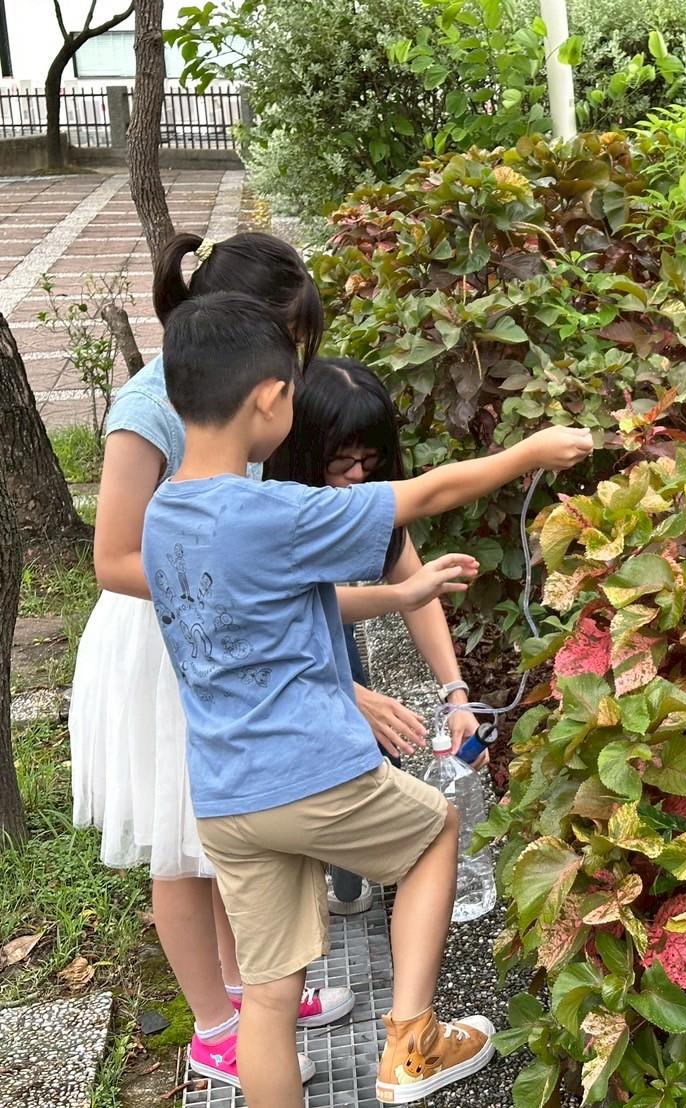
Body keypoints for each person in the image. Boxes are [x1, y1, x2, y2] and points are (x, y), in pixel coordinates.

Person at [141, 291, 592, 1106]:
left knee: (269, 1000)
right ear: (270, 399)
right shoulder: (274, 511)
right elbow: (423, 496)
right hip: (310, 771)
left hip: (226, 796)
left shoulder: (163, 516)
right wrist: (528, 452)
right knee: (434, 830)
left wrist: (400, 595)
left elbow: (273, 609)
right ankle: (412, 1044)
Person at [70, 232, 474, 1090]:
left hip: (235, 650)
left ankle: (251, 999)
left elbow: (366, 562)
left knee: (237, 886)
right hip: (174, 632)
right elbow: (116, 559)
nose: (293, 366)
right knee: (175, 841)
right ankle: (223, 1024)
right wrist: (331, 679)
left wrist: (441, 683)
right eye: (288, 343)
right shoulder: (163, 411)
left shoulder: (240, 415)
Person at [264, 357, 486, 917]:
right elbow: (277, 617)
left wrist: (455, 694)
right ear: (302, 448)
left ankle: (347, 883)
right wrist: (343, 693)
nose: (359, 476)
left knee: (371, 750)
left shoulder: (361, 503)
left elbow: (414, 587)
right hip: (269, 679)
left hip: (325, 652)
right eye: (342, 461)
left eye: (372, 460)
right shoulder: (269, 507)